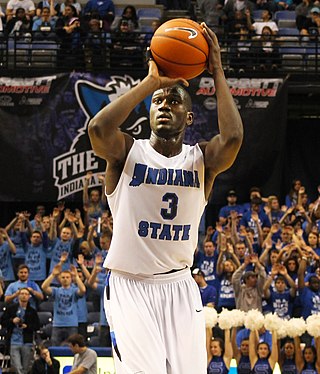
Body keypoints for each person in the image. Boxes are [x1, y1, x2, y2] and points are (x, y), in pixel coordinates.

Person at [88, 22, 243, 373]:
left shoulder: (201, 159)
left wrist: (217, 70)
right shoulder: (127, 152)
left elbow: (232, 139)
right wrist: (151, 83)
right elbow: (98, 130)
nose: (163, 105)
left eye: (173, 101)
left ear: (188, 116)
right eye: (157, 102)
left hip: (179, 285)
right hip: (131, 285)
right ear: (148, 111)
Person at [41, 260, 86, 346]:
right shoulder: (56, 291)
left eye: (67, 277)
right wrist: (53, 275)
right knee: (55, 347)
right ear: (59, 279)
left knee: (72, 348)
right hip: (57, 324)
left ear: (70, 279)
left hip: (71, 324)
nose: (65, 279)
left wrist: (76, 276)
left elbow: (83, 290)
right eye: (63, 277)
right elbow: (44, 287)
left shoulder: (74, 291)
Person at [0, 288, 40, 374]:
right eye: (22, 293)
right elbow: (2, 321)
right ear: (18, 296)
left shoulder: (32, 311)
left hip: (27, 342)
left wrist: (27, 326)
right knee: (17, 366)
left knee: (26, 368)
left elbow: (37, 326)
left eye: (26, 294)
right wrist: (12, 321)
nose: (24, 296)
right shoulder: (11, 309)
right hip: (14, 341)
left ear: (29, 297)